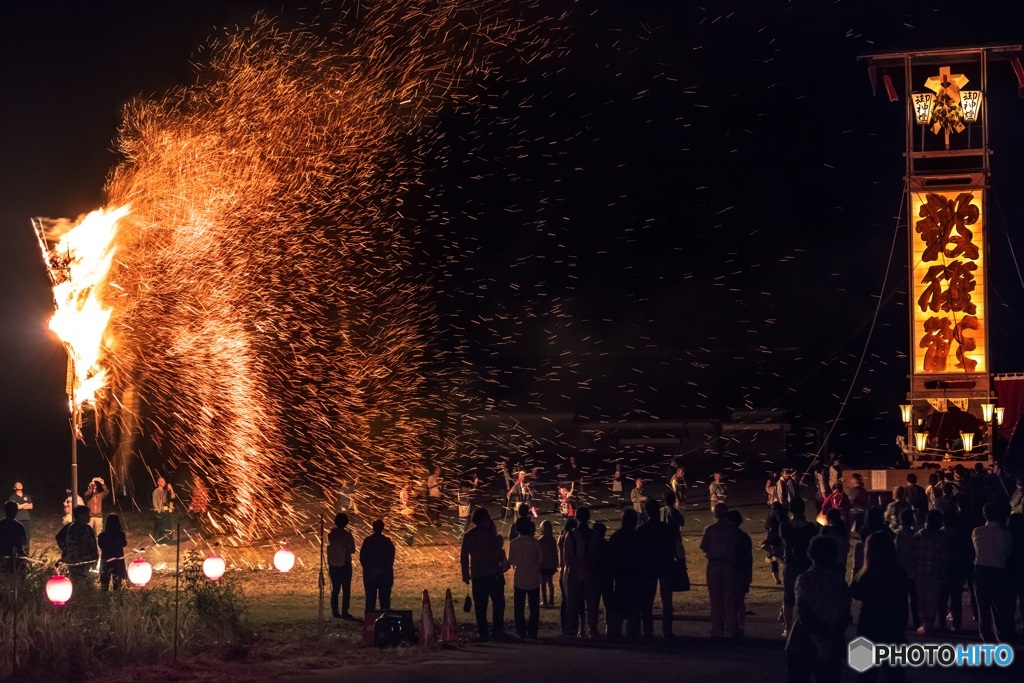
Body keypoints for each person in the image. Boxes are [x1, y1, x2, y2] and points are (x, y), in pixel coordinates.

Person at [785, 536, 851, 683]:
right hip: (832, 638)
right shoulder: (839, 582)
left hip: (804, 641)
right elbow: (845, 615)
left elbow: (804, 613)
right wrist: (831, 639)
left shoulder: (805, 579)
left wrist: (819, 641)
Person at [850, 532, 910, 683]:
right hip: (893, 627)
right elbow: (903, 603)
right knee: (894, 675)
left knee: (866, 675)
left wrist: (859, 566)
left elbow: (854, 592)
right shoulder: (899, 573)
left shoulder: (866, 575)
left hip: (869, 627)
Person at [460, 507, 507, 640]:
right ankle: (497, 629)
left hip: (478, 575)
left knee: (480, 606)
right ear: (485, 520)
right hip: (494, 574)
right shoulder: (491, 535)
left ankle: (483, 631)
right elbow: (498, 552)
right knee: (498, 604)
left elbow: (464, 557)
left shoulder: (469, 536)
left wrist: (465, 574)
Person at [972, 501, 1014, 642]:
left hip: (981, 571)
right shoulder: (1006, 534)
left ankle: (986, 638)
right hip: (999, 572)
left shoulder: (977, 531)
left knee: (983, 608)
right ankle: (1001, 638)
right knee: (999, 608)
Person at [780, 496, 818, 637]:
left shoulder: (784, 527)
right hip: (806, 564)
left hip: (791, 564)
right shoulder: (811, 528)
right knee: (805, 596)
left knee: (788, 597)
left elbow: (785, 543)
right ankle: (803, 626)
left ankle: (788, 628)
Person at [700, 503, 740, 638]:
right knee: (729, 599)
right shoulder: (732, 530)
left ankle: (717, 629)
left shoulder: (710, 529)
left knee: (715, 599)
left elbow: (703, 547)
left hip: (714, 564)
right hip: (728, 565)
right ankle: (731, 629)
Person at [638, 499, 676, 638]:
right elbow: (672, 547)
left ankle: (648, 630)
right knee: (667, 601)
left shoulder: (642, 529)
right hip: (664, 565)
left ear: (647, 512)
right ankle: (667, 630)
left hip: (649, 567)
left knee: (648, 600)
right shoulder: (666, 528)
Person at [562, 506, 599, 638]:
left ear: (577, 517)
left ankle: (570, 629)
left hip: (573, 570)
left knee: (571, 602)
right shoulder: (594, 534)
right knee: (590, 602)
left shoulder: (570, 535)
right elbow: (595, 554)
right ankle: (592, 629)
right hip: (588, 569)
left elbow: (566, 557)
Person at [607, 508, 643, 640]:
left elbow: (610, 558)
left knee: (619, 604)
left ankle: (615, 632)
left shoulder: (617, 537)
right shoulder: (637, 537)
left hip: (620, 576)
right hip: (634, 576)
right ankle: (632, 633)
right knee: (633, 605)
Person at [507, 517, 542, 639]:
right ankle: (533, 631)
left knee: (519, 607)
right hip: (533, 578)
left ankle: (521, 631)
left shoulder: (513, 543)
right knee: (534, 607)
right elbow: (541, 559)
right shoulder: (535, 542)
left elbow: (511, 561)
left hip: (520, 578)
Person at [359, 519, 395, 613]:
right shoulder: (387, 542)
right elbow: (390, 559)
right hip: (384, 575)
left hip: (370, 575)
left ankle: (370, 618)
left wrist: (371, 569)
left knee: (370, 600)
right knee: (385, 600)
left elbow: (363, 558)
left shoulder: (368, 541)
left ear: (373, 528)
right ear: (383, 528)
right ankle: (385, 617)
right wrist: (382, 569)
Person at [894, 508, 921, 630]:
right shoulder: (914, 534)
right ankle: (916, 621)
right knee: (914, 598)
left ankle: (903, 621)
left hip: (902, 570)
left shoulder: (898, 534)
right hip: (913, 570)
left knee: (902, 598)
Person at [727, 509, 753, 635]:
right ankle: (740, 625)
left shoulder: (729, 537)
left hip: (732, 572)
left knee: (730, 601)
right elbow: (749, 558)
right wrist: (749, 575)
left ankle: (732, 625)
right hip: (743, 572)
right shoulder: (745, 537)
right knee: (740, 601)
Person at [327, 512, 357, 620]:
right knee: (346, 588)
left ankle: (335, 611)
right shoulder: (348, 535)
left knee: (335, 588)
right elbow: (353, 550)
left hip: (334, 564)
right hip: (345, 564)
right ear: (346, 523)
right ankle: (345, 610)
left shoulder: (330, 535)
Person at [56, 505, 98, 578]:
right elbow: (92, 543)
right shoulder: (83, 528)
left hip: (79, 560)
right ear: (80, 516)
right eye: (86, 515)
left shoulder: (72, 526)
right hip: (80, 560)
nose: (89, 517)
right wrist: (66, 549)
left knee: (77, 577)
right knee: (79, 578)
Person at [97, 513, 128, 591]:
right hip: (118, 561)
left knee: (104, 584)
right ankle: (117, 597)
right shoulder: (120, 534)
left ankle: (104, 598)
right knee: (117, 585)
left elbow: (101, 546)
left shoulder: (102, 536)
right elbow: (124, 544)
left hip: (106, 561)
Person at [763, 502, 786, 585]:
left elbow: (766, 526)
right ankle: (784, 578)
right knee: (783, 559)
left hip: (773, 540)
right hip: (780, 539)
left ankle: (777, 580)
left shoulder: (770, 516)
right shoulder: (783, 516)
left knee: (774, 560)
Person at [0, 500, 28, 570]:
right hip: (16, 556)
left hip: (2, 555)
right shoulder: (19, 526)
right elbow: (24, 542)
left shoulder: (1, 524)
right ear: (16, 512)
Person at [538, 519, 559, 607]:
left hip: (543, 564)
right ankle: (551, 600)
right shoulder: (553, 539)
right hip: (550, 564)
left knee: (543, 583)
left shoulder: (540, 540)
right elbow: (555, 552)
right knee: (550, 582)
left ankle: (545, 601)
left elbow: (539, 553)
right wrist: (555, 563)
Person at [9, 482, 32, 554]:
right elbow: (16, 507)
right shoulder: (12, 497)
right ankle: (17, 551)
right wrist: (25, 504)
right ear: (14, 488)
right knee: (17, 535)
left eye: (20, 484)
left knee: (27, 535)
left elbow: (31, 506)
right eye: (17, 484)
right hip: (17, 519)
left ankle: (26, 551)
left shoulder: (27, 496)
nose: (20, 485)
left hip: (26, 518)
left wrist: (20, 506)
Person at [152, 477, 170, 543]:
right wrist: (159, 511)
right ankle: (155, 541)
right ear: (158, 483)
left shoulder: (165, 491)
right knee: (157, 527)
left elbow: (165, 502)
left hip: (164, 512)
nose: (164, 483)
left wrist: (166, 510)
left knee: (162, 528)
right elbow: (155, 503)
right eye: (162, 481)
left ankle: (160, 541)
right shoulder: (156, 491)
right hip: (159, 512)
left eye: (164, 481)